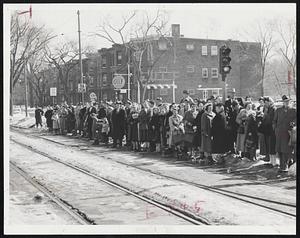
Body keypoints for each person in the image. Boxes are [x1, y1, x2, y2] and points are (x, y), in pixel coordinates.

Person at [273, 95, 296, 173]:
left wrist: (294, 123)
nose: (287, 103)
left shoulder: (293, 110)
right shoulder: (278, 110)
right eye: (285, 102)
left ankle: (285, 165)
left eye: (288, 101)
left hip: (288, 133)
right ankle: (281, 165)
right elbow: (274, 121)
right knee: (279, 149)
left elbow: (296, 119)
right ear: (283, 102)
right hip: (279, 133)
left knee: (286, 149)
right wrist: (275, 129)